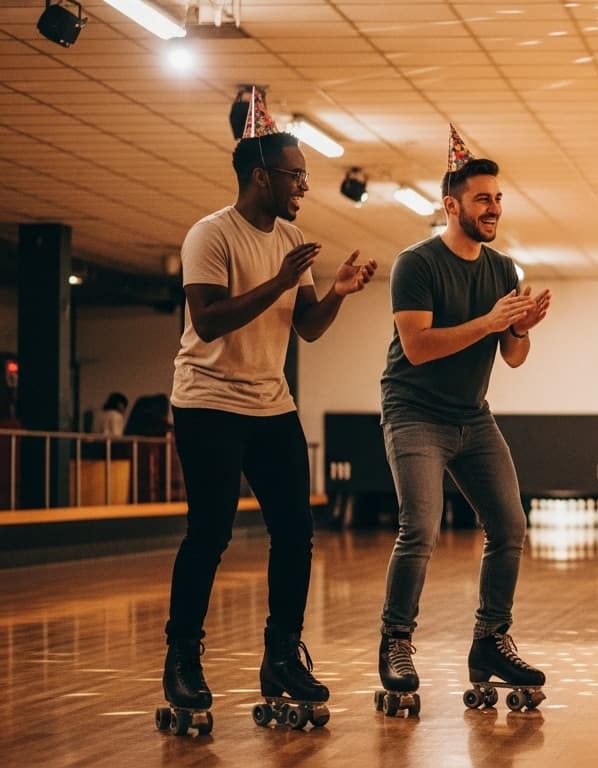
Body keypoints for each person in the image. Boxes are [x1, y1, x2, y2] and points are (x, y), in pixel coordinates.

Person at [160, 89, 377, 732]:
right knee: (211, 532)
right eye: (296, 175)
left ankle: (281, 656)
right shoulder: (211, 235)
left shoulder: (292, 235)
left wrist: (333, 292)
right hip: (207, 402)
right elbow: (208, 320)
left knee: (297, 530)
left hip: (269, 402)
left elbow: (306, 328)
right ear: (262, 175)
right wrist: (281, 281)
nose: (304, 186)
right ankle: (182, 659)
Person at [376, 125, 551, 715]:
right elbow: (419, 346)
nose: (494, 207)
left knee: (510, 526)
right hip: (414, 413)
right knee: (419, 527)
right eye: (482, 198)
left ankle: (489, 642)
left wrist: (520, 326)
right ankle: (396, 641)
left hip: (472, 417)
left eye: (498, 198)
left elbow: (514, 356)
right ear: (451, 205)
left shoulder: (504, 269)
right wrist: (492, 319)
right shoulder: (415, 264)